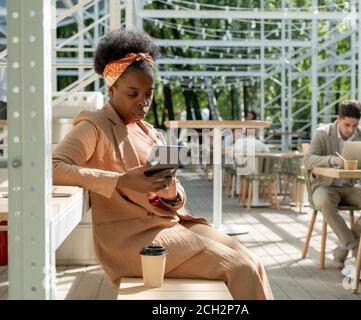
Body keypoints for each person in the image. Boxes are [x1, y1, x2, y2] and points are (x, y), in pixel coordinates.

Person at [52, 29, 273, 300]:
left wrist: (170, 193)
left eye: (148, 93)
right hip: (131, 242)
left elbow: (176, 196)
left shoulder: (150, 132)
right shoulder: (93, 126)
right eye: (133, 93)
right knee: (241, 269)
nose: (143, 103)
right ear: (112, 88)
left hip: (169, 225)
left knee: (254, 261)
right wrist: (120, 181)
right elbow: (53, 168)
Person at [304, 100, 361, 268]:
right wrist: (331, 159)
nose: (351, 130)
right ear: (338, 119)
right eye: (347, 125)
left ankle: (343, 248)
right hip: (324, 187)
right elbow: (308, 160)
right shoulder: (323, 134)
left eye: (355, 126)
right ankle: (356, 248)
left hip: (350, 187)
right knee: (325, 203)